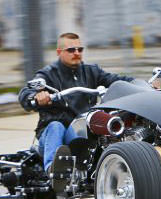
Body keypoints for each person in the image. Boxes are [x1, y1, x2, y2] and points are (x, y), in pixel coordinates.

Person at [18, 32, 134, 174]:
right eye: (71, 50)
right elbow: (25, 93)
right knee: (56, 127)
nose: (77, 53)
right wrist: (37, 97)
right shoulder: (48, 74)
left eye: (80, 49)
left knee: (106, 126)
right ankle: (53, 171)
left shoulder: (91, 71)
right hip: (54, 135)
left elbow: (117, 80)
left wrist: (141, 85)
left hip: (79, 130)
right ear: (59, 52)